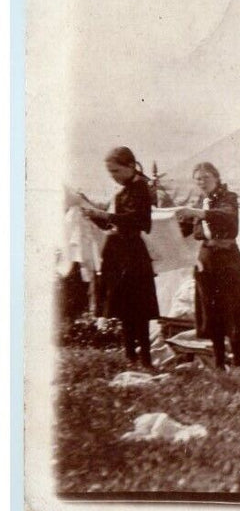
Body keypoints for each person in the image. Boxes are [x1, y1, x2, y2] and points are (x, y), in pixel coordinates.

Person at [176, 162, 240, 370]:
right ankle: (218, 363)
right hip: (206, 259)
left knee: (234, 309)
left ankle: (238, 362)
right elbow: (184, 229)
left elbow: (227, 217)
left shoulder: (228, 198)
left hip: (227, 259)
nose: (202, 182)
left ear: (216, 178)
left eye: (206, 178)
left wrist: (199, 213)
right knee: (211, 309)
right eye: (198, 179)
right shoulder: (201, 201)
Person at [79, 147, 160, 369]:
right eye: (110, 173)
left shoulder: (140, 188)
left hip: (132, 252)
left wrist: (106, 215)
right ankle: (130, 358)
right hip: (117, 252)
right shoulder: (122, 191)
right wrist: (93, 215)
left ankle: (145, 359)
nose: (113, 176)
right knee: (125, 308)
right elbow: (111, 223)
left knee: (139, 309)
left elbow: (140, 221)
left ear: (131, 166)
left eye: (116, 171)